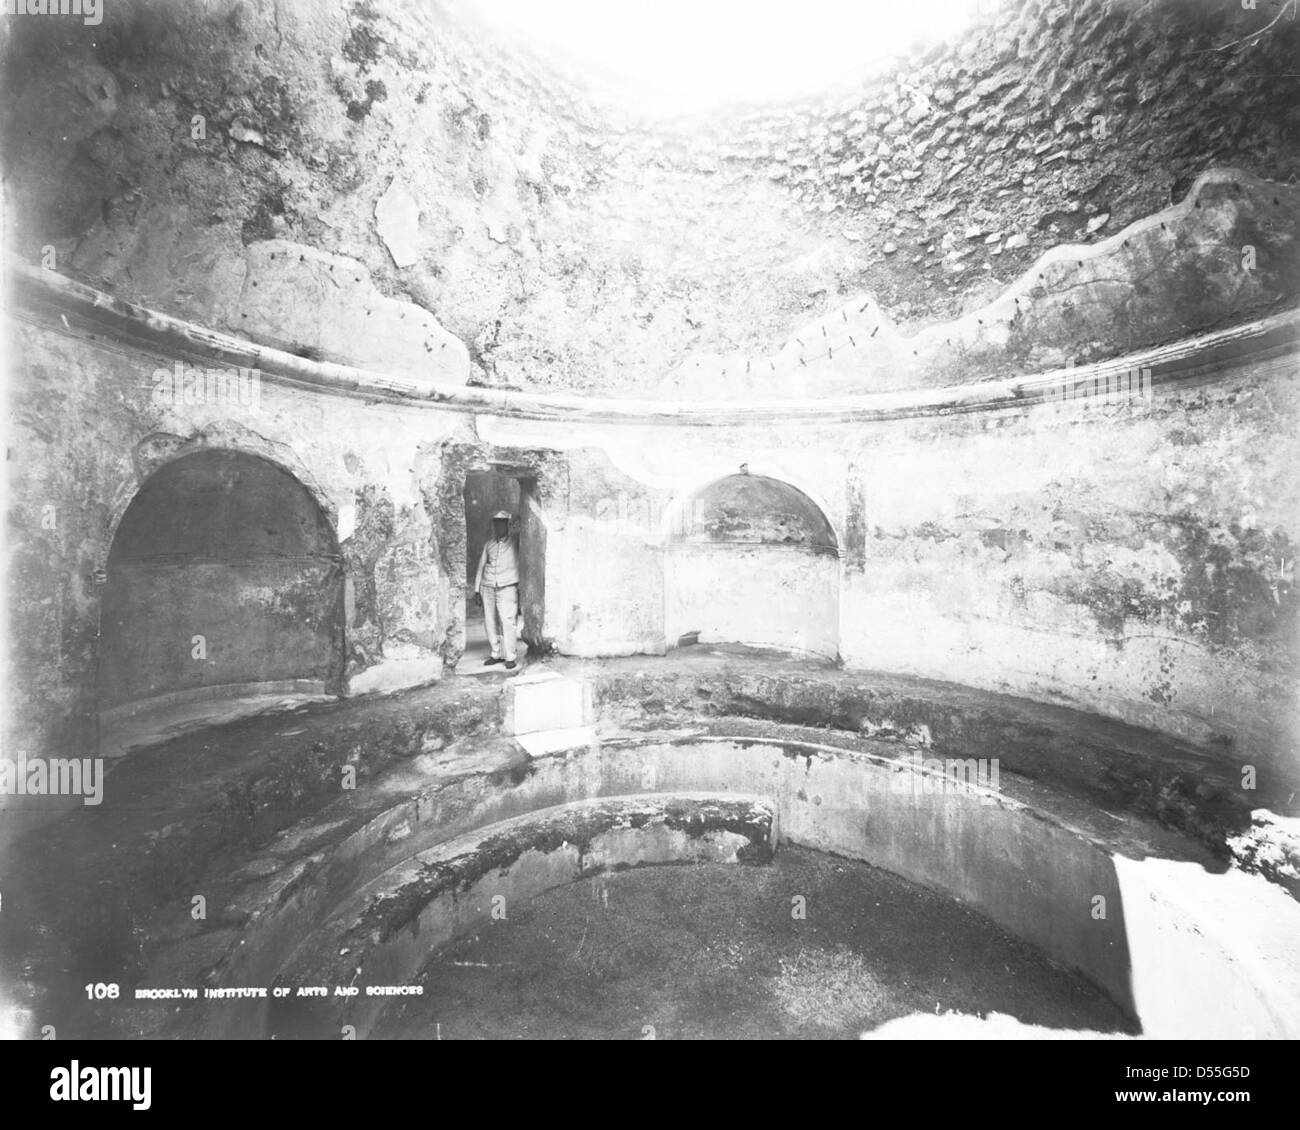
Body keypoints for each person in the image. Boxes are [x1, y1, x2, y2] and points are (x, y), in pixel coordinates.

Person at [473, 509, 520, 670]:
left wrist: (514, 523)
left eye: (502, 524)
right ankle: (496, 654)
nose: (499, 527)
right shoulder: (489, 544)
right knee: (490, 621)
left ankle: (510, 656)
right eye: (496, 524)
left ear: (508, 525)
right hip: (488, 586)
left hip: (507, 586)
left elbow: (522, 525)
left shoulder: (515, 542)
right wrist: (477, 590)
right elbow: (481, 566)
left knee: (508, 621)